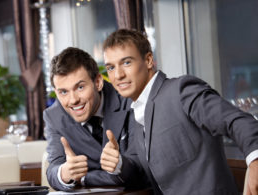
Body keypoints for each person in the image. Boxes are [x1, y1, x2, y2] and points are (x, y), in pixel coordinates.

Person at [100, 29, 258, 195]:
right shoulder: (138, 114)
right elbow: (140, 167)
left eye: (126, 63)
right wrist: (118, 163)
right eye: (110, 67)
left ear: (148, 60)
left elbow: (237, 121)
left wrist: (255, 161)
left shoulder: (181, 90)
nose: (118, 75)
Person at [44, 47, 148, 191]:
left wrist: (85, 178)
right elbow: (53, 171)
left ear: (98, 82)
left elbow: (140, 169)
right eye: (63, 92)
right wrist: (65, 173)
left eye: (80, 87)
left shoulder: (130, 101)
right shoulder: (54, 116)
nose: (73, 100)